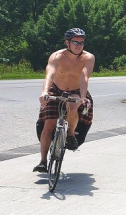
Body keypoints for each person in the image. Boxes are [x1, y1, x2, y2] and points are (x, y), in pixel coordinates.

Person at [33, 28, 95, 173]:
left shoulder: (88, 57)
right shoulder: (57, 56)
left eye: (82, 42)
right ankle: (43, 161)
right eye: (75, 42)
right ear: (67, 42)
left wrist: (82, 96)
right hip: (56, 89)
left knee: (73, 107)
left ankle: (71, 135)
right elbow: (49, 74)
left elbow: (84, 77)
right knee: (49, 123)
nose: (79, 45)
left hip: (76, 91)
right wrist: (44, 92)